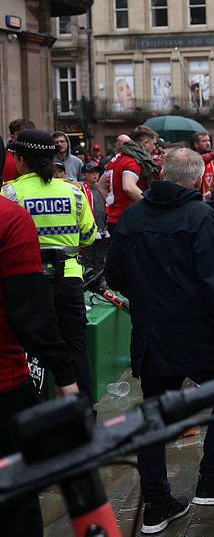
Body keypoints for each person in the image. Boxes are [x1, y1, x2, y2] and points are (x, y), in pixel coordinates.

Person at [105, 148, 214, 534]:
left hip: (153, 332)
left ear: (162, 174)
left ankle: (156, 501)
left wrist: (149, 289)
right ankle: (212, 479)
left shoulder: (133, 215)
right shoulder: (200, 214)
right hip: (197, 331)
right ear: (200, 179)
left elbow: (115, 274)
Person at [0, 195, 79, 537]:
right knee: (16, 502)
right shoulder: (9, 216)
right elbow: (30, 312)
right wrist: (63, 372)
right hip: (4, 383)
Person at [1, 130, 96, 403]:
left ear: (20, 160)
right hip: (69, 279)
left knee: (29, 349)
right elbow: (88, 237)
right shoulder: (74, 191)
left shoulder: (9, 193)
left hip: (27, 283)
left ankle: (39, 411)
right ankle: (83, 412)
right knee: (76, 349)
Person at [105, 126, 161, 236]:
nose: (155, 148)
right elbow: (128, 186)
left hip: (114, 219)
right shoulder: (133, 160)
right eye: (153, 144)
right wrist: (151, 205)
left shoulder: (116, 158)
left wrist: (113, 202)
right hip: (129, 220)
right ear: (145, 143)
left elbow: (100, 185)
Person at [79, 162, 109, 281]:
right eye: (91, 172)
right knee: (88, 256)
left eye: (96, 172)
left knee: (100, 256)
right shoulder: (81, 188)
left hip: (102, 227)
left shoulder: (101, 188)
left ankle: (100, 279)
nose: (95, 175)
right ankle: (89, 279)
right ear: (84, 175)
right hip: (89, 228)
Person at [3, 118, 34, 184]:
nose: (26, 137)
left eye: (28, 134)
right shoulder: (8, 159)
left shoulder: (34, 154)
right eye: (21, 134)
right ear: (12, 137)